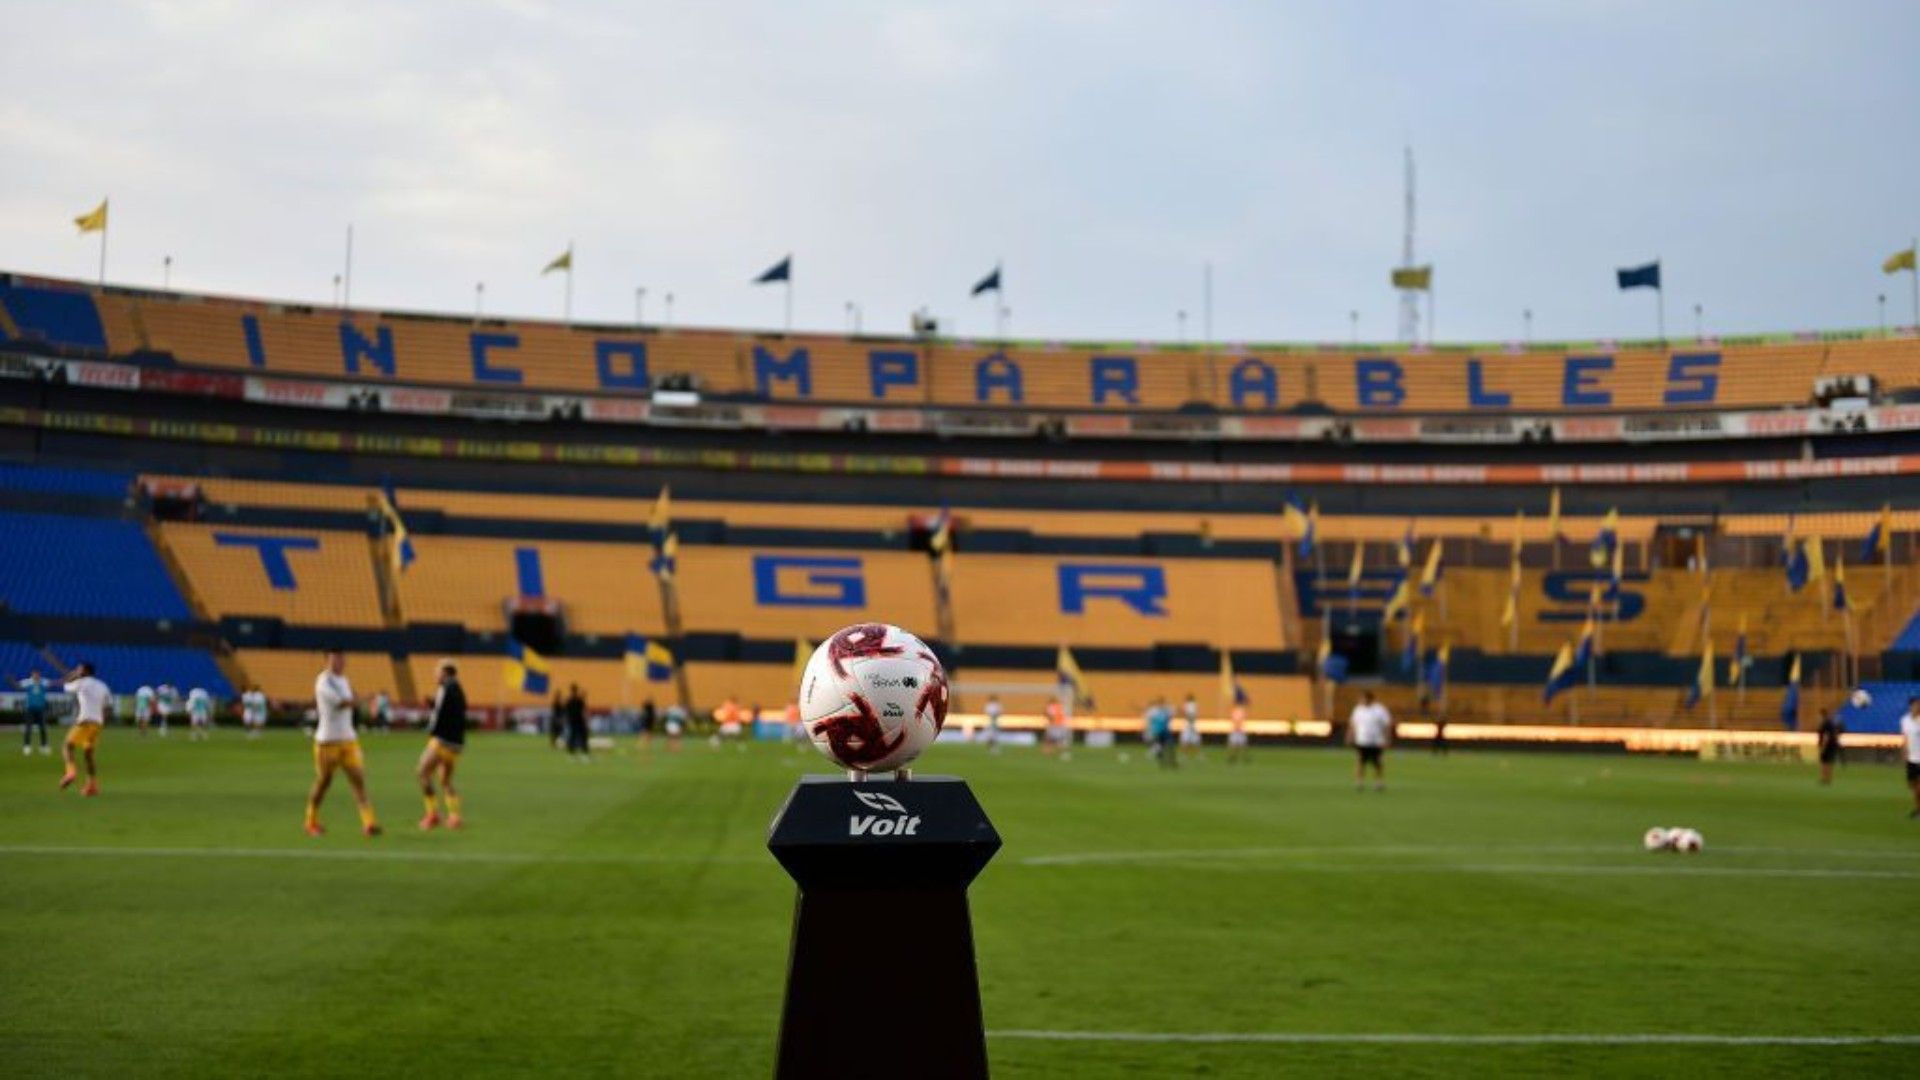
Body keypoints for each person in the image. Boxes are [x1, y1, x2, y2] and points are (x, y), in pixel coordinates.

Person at [306, 651, 381, 837]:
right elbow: (341, 704)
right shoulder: (323, 681)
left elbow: (351, 699)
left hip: (348, 740)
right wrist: (365, 699)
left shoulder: (344, 680)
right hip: (327, 742)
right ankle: (310, 821)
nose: (339, 662)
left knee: (359, 780)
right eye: (334, 658)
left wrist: (362, 699)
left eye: (341, 658)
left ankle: (369, 823)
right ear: (327, 660)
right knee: (324, 782)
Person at [416, 660, 467, 830]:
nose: (435, 675)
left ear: (445, 673)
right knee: (445, 781)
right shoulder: (458, 688)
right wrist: (433, 703)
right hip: (456, 744)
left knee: (422, 773)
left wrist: (431, 730)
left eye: (437, 672)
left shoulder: (445, 687)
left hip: (442, 741)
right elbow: (453, 711)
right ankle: (454, 816)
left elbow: (440, 714)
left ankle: (433, 814)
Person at [57, 662, 110, 796]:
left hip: (84, 721)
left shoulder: (81, 683)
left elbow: (66, 686)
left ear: (84, 671)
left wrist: (73, 675)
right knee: (88, 755)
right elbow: (107, 706)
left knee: (67, 746)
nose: (77, 671)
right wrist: (102, 722)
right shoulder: (102, 685)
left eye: (79, 670)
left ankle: (71, 772)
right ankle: (92, 785)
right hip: (97, 724)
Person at [1348, 689, 1393, 792]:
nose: (1362, 700)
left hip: (1376, 740)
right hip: (1362, 740)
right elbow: (1353, 724)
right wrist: (1350, 735)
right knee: (1360, 762)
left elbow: (1386, 725)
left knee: (1377, 763)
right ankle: (1359, 782)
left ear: (1370, 698)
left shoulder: (1380, 710)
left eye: (1364, 698)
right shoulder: (1358, 709)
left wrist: (1387, 738)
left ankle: (1378, 782)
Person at [15, 670, 50, 755]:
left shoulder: (44, 682)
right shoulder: (28, 682)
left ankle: (44, 746)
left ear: (39, 675)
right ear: (32, 675)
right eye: (34, 674)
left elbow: (51, 684)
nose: (36, 676)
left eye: (37, 674)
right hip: (30, 709)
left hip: (41, 709)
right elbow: (18, 685)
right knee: (28, 728)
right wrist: (13, 681)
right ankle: (27, 746)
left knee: (42, 728)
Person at [1902, 697, 1920, 819]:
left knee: (1919, 788)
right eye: (1914, 705)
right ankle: (1918, 809)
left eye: (1918, 705)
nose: (1916, 707)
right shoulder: (1905, 720)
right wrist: (1904, 751)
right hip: (1911, 758)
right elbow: (1905, 737)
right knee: (1912, 786)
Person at [1816, 707, 1844, 786]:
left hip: (1828, 744)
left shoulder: (1824, 723)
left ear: (1821, 715)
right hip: (1832, 744)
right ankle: (1828, 779)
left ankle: (1824, 779)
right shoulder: (1830, 722)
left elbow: (1826, 736)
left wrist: (1823, 746)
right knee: (1828, 762)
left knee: (1824, 762)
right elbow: (1834, 733)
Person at [1147, 697, 1177, 769]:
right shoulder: (1154, 711)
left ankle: (1172, 762)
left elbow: (1171, 716)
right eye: (1160, 703)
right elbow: (1151, 720)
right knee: (1160, 748)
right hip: (1158, 732)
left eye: (1162, 703)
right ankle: (1162, 763)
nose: (1161, 705)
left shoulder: (1166, 710)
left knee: (1171, 746)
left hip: (1165, 731)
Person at [564, 684, 588, 759]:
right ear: (576, 690)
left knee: (572, 737)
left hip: (572, 720)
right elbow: (583, 711)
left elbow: (566, 711)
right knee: (582, 736)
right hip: (579, 720)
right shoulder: (579, 699)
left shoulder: (569, 700)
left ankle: (572, 754)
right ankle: (584, 753)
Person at [1180, 693, 1200, 757]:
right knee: (1193, 740)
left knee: (1186, 739)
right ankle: (1195, 754)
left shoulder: (1190, 705)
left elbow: (1190, 715)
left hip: (1189, 725)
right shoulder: (1192, 705)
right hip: (1191, 724)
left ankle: (1185, 754)